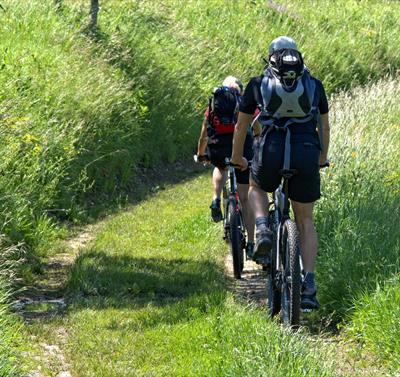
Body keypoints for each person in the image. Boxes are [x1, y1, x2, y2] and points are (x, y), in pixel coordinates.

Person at [231, 36, 330, 309]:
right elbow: (325, 126)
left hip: (271, 149)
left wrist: (238, 157)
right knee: (305, 220)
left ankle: (262, 228)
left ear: (271, 58)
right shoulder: (314, 85)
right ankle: (308, 284)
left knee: (257, 187)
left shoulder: (257, 84)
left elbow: (241, 127)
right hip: (306, 151)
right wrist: (321, 157)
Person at [196, 76, 256, 257]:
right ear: (240, 91)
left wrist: (201, 154)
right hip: (242, 149)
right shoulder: (244, 103)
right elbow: (257, 126)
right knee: (245, 199)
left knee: (221, 167)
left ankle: (216, 198)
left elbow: (203, 136)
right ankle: (252, 242)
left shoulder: (213, 107)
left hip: (219, 147)